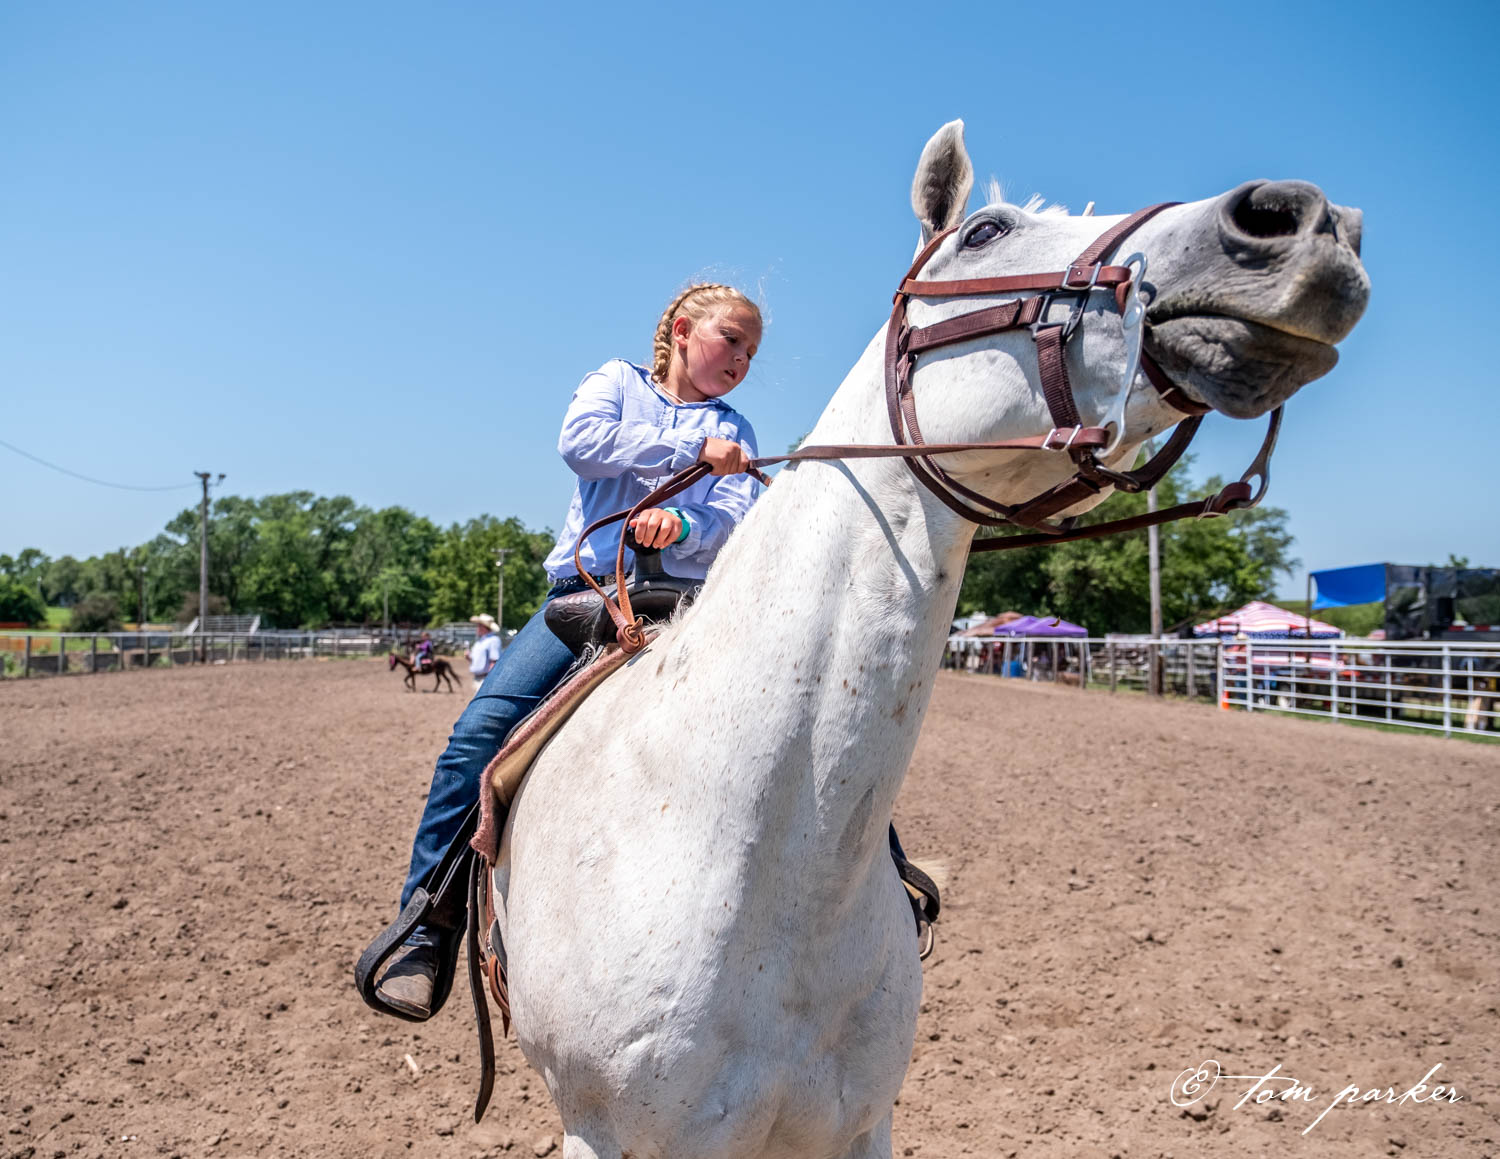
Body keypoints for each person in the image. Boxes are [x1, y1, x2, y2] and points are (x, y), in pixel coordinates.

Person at [375, 283, 764, 1018]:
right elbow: (581, 443)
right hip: (586, 599)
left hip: (687, 604)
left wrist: (684, 528)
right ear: (683, 331)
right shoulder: (616, 382)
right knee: (476, 738)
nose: (742, 359)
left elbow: (734, 516)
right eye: (732, 339)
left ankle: (888, 882)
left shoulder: (736, 428)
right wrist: (690, 449)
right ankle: (426, 928)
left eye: (752, 351)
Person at [467, 613, 502, 688]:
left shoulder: (493, 640)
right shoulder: (480, 641)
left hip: (485, 679)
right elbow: (476, 660)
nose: (477, 628)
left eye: (479, 625)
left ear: (484, 627)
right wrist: (468, 657)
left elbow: (494, 662)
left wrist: (490, 681)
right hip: (477, 678)